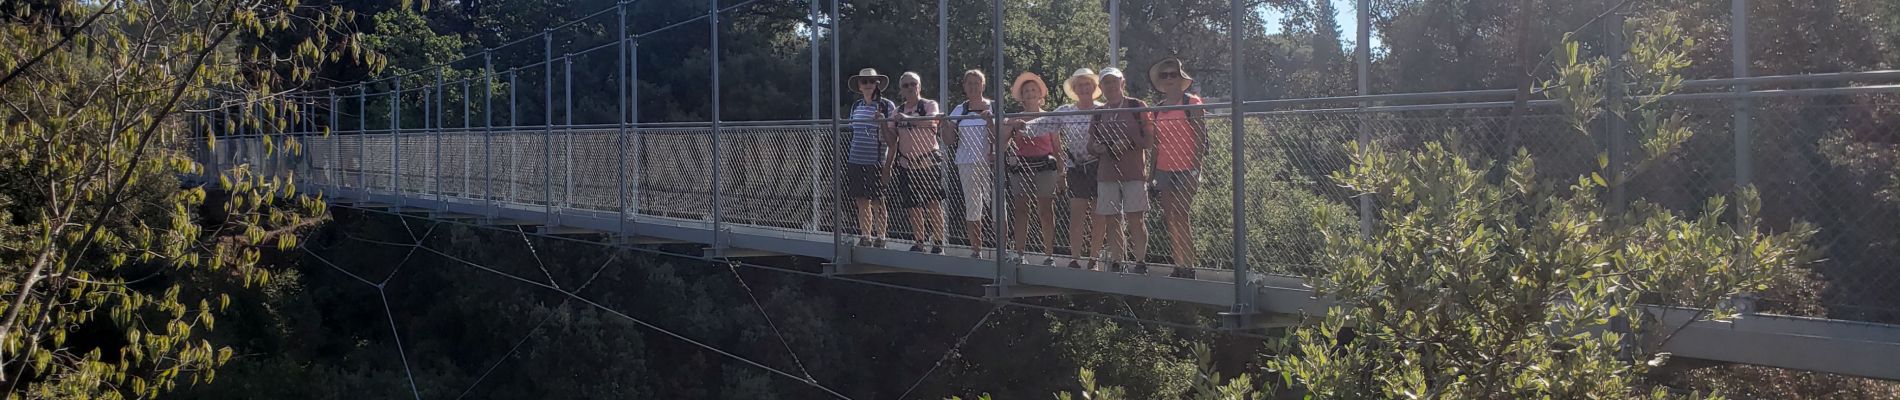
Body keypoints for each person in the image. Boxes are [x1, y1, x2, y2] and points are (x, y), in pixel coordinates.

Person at [1087, 67, 1155, 274]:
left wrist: (1128, 143)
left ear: (1122, 83)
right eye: (1106, 82)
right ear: (1101, 87)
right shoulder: (1099, 113)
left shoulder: (1137, 106)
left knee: (1136, 217)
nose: (1111, 86)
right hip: (1107, 173)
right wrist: (1099, 148)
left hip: (1134, 172)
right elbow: (1090, 143)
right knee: (1112, 218)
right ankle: (1118, 261)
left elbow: (1150, 140)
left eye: (1114, 81)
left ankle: (1140, 261)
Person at [1148, 58, 1206, 279]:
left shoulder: (1192, 103)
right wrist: (1150, 176)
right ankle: (1178, 265)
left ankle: (1190, 267)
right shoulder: (1158, 109)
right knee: (1170, 217)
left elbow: (1201, 137)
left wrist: (1196, 171)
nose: (1170, 78)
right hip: (1164, 170)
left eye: (1173, 74)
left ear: (1181, 79)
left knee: (1182, 215)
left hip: (1186, 169)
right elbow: (1155, 145)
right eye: (1165, 75)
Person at [1003, 72, 1062, 265]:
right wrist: (1012, 127)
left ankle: (1049, 255)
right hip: (1022, 166)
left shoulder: (1049, 118)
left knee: (1046, 210)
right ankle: (1020, 254)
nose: (1029, 93)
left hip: (1045, 165)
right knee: (1021, 210)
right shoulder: (1014, 118)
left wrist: (1062, 172)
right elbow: (1002, 144)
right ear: (1022, 96)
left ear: (1040, 95)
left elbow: (1057, 146)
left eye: (1033, 90)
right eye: (1026, 91)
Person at [1054, 68, 1106, 270]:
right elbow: (1045, 124)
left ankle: (1094, 258)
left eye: (1087, 85)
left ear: (1094, 88)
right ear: (1074, 89)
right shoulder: (1065, 111)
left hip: (1099, 166)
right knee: (1076, 214)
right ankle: (1075, 258)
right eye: (1080, 85)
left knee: (1098, 215)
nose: (1084, 88)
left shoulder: (1103, 109)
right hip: (1075, 167)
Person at [890, 72, 948, 254]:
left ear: (919, 86)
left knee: (933, 202)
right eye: (905, 85)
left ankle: (938, 241)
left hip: (928, 162)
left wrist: (908, 120)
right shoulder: (897, 111)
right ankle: (919, 241)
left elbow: (931, 121)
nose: (910, 88)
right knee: (913, 205)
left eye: (913, 84)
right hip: (907, 165)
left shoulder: (929, 105)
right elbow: (891, 138)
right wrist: (883, 124)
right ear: (901, 90)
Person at [943, 69, 998, 259]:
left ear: (983, 85)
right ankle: (977, 249)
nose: (973, 86)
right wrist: (945, 124)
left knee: (998, 206)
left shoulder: (994, 107)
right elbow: (949, 140)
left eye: (977, 83)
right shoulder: (960, 109)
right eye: (970, 83)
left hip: (990, 164)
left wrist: (990, 122)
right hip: (966, 162)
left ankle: (1003, 249)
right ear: (965, 87)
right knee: (973, 206)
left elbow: (1000, 139)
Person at [844, 68, 899, 247]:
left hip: (876, 159)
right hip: (856, 158)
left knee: (878, 200)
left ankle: (881, 236)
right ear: (859, 86)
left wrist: (887, 166)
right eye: (864, 82)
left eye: (871, 81)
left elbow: (893, 137)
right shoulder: (856, 106)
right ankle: (866, 234)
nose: (868, 85)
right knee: (861, 199)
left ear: (877, 84)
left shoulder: (886, 105)